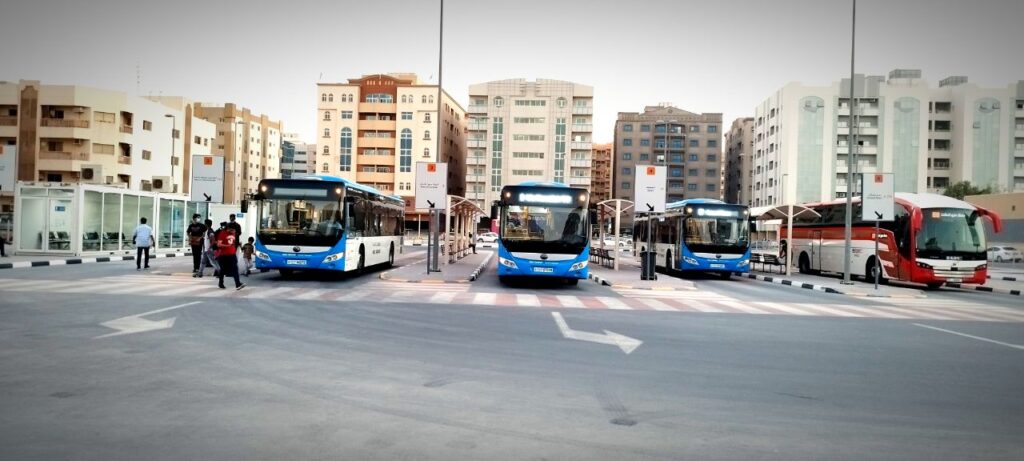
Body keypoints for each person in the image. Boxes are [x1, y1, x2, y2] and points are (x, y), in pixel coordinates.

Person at [215, 222, 244, 290]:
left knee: (235, 269)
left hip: (232, 254)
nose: (234, 231)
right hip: (223, 255)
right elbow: (219, 245)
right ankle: (220, 283)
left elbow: (233, 242)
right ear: (229, 229)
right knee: (223, 270)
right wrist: (227, 246)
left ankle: (238, 284)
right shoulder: (222, 233)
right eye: (233, 230)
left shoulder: (233, 233)